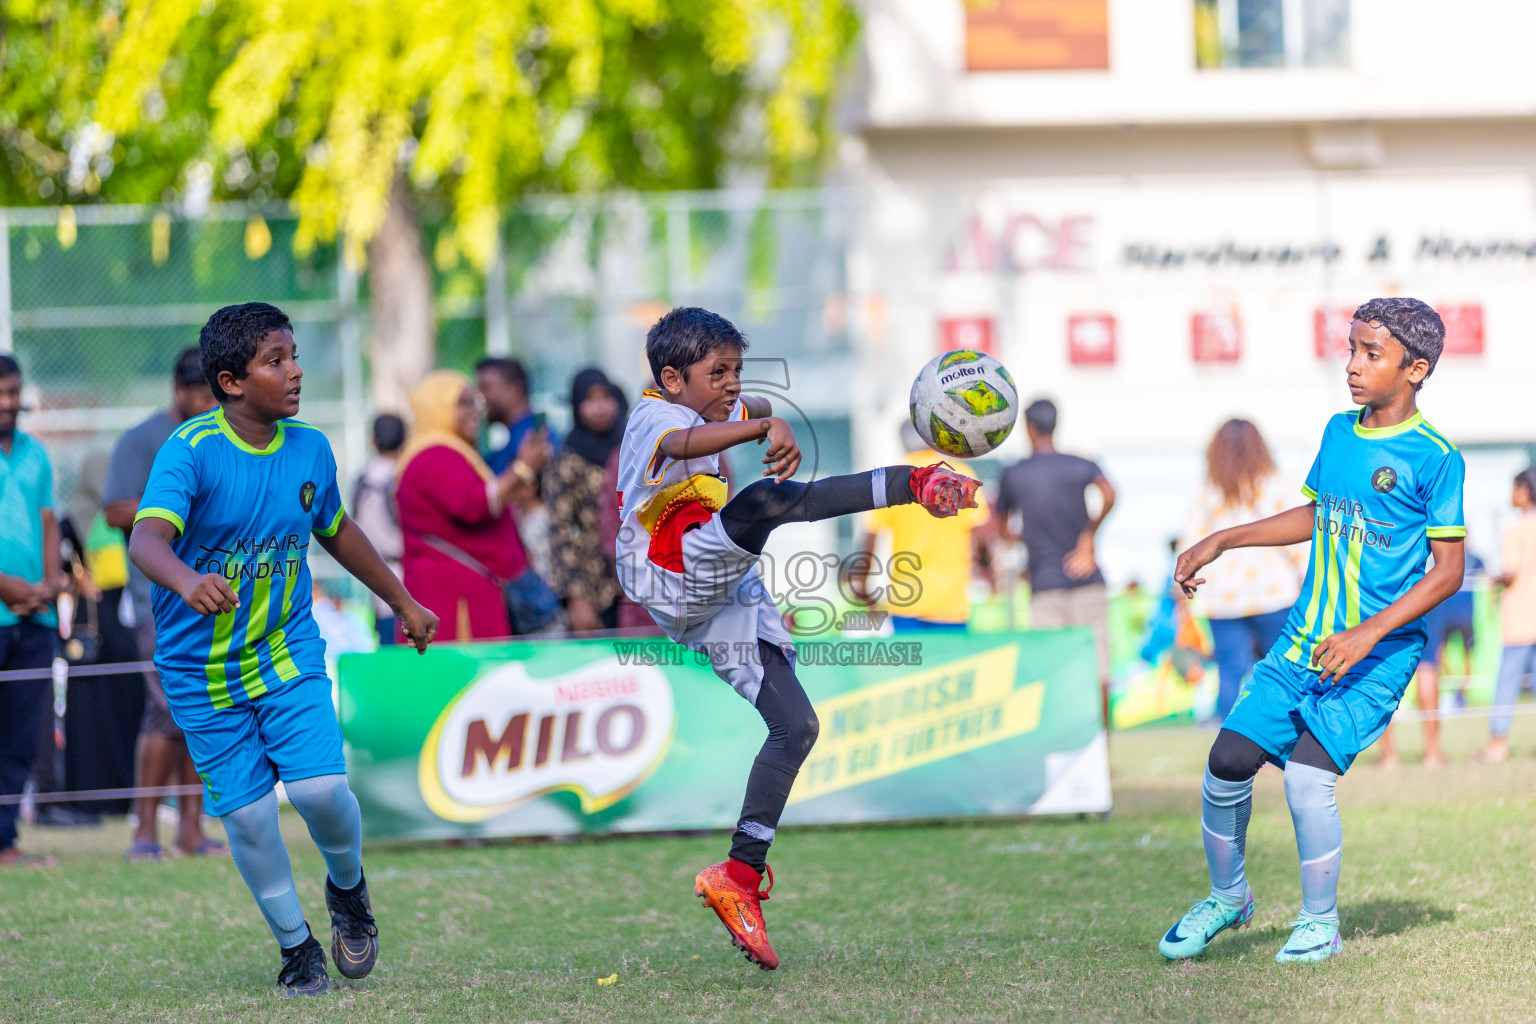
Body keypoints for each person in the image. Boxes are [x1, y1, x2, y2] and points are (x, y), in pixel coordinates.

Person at [617, 307, 978, 970]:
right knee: (764, 501)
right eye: (715, 373)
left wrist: (753, 407)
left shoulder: (703, 401)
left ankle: (739, 876)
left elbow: (738, 406)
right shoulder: (654, 415)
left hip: (721, 585)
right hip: (670, 571)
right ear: (670, 378)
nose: (731, 384)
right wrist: (765, 422)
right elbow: (677, 446)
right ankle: (913, 481)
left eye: (736, 371)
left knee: (797, 727)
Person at [128, 303, 439, 994]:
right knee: (246, 816)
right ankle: (297, 949)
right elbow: (145, 540)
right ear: (232, 381)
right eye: (277, 360)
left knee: (323, 791)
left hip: (285, 651)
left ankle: (349, 891)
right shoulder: (191, 450)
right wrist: (187, 580)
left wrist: (403, 602)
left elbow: (337, 529)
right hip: (199, 670)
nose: (295, 371)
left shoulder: (310, 449)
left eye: (294, 355)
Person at [1158, 298, 1464, 965]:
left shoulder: (1437, 458)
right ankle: (1229, 897)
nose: (1352, 366)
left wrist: (1365, 635)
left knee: (1304, 780)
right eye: (1350, 349)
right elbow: (1321, 514)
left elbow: (1446, 574)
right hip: (1302, 642)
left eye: (1369, 353)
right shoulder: (1338, 431)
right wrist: (1225, 538)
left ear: (1415, 369)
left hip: (1375, 655)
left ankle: (1320, 922)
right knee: (1226, 764)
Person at [103, 346, 223, 861]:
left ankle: (192, 831)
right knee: (164, 711)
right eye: (203, 396)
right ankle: (145, 832)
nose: (211, 407)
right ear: (180, 391)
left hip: (210, 596)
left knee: (196, 710)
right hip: (157, 599)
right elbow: (114, 510)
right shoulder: (143, 439)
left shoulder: (219, 436)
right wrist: (176, 502)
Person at [396, 371, 546, 641]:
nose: (475, 410)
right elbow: (475, 504)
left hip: (466, 590)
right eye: (463, 403)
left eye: (475, 401)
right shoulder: (434, 454)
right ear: (437, 407)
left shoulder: (450, 450)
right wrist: (523, 467)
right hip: (452, 598)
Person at [992, 399, 1116, 724]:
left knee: (1050, 670)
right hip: (1088, 579)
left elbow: (1002, 528)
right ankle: (1100, 751)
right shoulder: (1079, 464)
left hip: (1044, 586)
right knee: (1098, 668)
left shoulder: (1014, 474)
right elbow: (1110, 492)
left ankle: (1060, 746)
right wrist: (1090, 533)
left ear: (1029, 430)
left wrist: (1027, 539)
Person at [1178, 420, 1304, 722]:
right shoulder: (1276, 483)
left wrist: (1182, 589)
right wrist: (1306, 582)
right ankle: (1276, 750)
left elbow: (1191, 541)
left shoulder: (1208, 491)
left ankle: (1232, 756)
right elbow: (1299, 540)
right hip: (1276, 593)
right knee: (1279, 673)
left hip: (1223, 598)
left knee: (1230, 674)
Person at [0, 354, 62, 868]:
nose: (8, 402)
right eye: (0, 392)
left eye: (13, 391)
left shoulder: (36, 454)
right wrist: (5, 587)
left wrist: (48, 584)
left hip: (34, 621)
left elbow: (48, 522)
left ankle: (5, 842)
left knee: (21, 736)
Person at [846, 421, 991, 631]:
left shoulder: (892, 480)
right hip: (949, 602)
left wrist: (861, 585)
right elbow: (981, 534)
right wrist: (986, 564)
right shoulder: (959, 474)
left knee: (913, 664)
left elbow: (870, 537)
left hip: (905, 601)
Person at [1377, 548, 1484, 767]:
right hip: (1428, 585)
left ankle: (1389, 756)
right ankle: (1433, 753)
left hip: (1391, 585)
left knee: (1382, 667)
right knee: (1427, 666)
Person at [545, 368, 628, 632]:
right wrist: (576, 598)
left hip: (636, 574)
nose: (600, 407)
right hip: (593, 584)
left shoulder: (631, 449)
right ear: (576, 406)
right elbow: (560, 530)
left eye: (605, 397)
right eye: (589, 400)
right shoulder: (567, 460)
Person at [1472, 469, 1536, 762]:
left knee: (1508, 683)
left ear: (1524, 491)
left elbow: (1510, 574)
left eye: (1514, 488)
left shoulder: (1515, 530)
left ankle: (1498, 742)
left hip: (1521, 621)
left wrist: (1492, 580)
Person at [350, 414, 405, 646]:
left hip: (374, 577)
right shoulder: (402, 477)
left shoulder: (362, 480)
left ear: (373, 440)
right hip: (405, 574)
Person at [476, 356, 557, 474]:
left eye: (486, 388)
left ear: (514, 389)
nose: (479, 397)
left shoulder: (534, 438)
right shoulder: (510, 443)